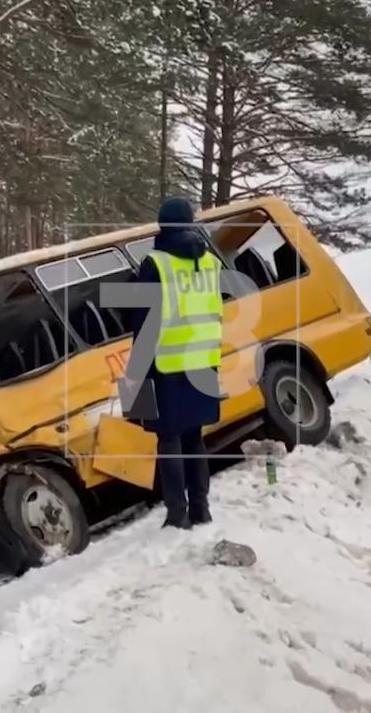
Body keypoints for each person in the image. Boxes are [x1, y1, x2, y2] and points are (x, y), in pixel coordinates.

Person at [130, 197, 223, 529]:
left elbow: (144, 319)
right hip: (205, 360)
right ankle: (201, 509)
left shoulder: (155, 263)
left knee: (169, 440)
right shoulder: (211, 262)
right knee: (195, 437)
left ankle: (177, 514)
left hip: (167, 364)